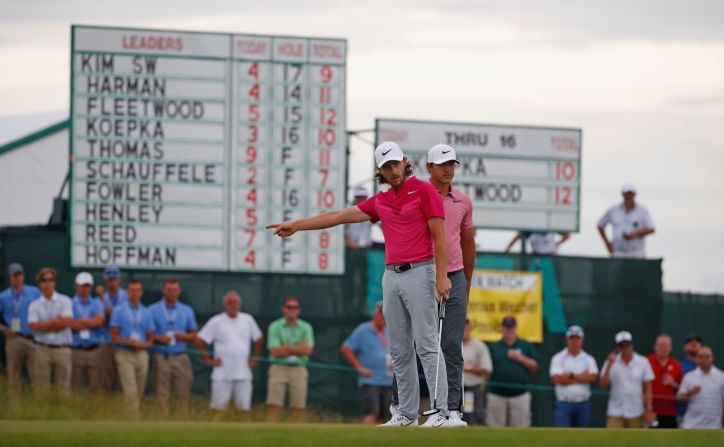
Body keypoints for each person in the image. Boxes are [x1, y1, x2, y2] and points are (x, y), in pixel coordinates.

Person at [267, 141, 452, 427]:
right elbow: (337, 216)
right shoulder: (381, 200)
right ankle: (405, 414)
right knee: (400, 349)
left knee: (427, 343)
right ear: (380, 171)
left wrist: (441, 276)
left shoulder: (425, 191)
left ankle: (442, 412)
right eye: (386, 167)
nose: (393, 171)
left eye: (395, 164)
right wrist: (297, 225)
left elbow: (439, 237)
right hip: (391, 275)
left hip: (421, 271)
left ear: (405, 162)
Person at [196, 291, 264, 421]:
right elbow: (199, 340)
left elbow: (259, 339)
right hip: (222, 373)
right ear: (225, 305)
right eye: (230, 302)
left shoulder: (247, 319)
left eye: (235, 302)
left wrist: (254, 359)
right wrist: (208, 360)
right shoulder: (216, 321)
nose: (233, 305)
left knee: (244, 409)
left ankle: (243, 434)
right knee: (217, 409)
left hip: (243, 373)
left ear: (240, 304)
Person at [149, 278, 198, 418]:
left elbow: (194, 334)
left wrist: (182, 336)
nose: (171, 293)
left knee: (182, 393)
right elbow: (148, 335)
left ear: (179, 291)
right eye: (169, 290)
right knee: (162, 394)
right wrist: (159, 339)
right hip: (161, 355)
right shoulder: (153, 310)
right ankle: (162, 422)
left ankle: (182, 420)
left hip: (180, 355)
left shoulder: (186, 310)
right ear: (164, 291)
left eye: (174, 290)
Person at [340, 302, 393, 424]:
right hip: (371, 381)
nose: (382, 317)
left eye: (385, 314)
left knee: (388, 415)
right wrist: (360, 368)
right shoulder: (363, 330)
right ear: (375, 314)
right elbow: (346, 348)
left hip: (389, 381)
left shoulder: (390, 331)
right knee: (371, 412)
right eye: (380, 313)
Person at [110, 279, 155, 419]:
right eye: (132, 290)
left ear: (141, 292)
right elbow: (113, 335)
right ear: (127, 291)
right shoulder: (119, 310)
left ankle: (131, 414)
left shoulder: (146, 312)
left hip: (141, 354)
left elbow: (150, 338)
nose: (135, 293)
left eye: (137, 290)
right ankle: (133, 419)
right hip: (124, 352)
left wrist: (144, 345)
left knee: (140, 389)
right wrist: (129, 342)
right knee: (130, 389)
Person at [265, 296, 315, 422]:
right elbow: (274, 352)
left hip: (299, 369)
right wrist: (299, 348)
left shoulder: (306, 327)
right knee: (274, 405)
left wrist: (286, 347)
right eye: (289, 307)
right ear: (284, 309)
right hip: (278, 367)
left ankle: (297, 435)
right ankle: (270, 433)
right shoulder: (275, 326)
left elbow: (308, 350)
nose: (292, 310)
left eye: (295, 307)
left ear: (299, 310)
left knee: (298, 406)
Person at [486, 315, 539, 427]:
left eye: (511, 327)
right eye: (506, 327)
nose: (509, 330)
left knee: (520, 432)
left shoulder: (525, 345)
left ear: (515, 328)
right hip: (497, 395)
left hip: (520, 395)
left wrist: (519, 357)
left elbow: (535, 366)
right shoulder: (494, 347)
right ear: (502, 328)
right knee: (494, 433)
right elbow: (487, 369)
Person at [27, 267, 73, 394]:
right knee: (41, 389)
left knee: (63, 389)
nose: (47, 283)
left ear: (54, 282)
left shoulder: (65, 300)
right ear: (39, 284)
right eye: (44, 280)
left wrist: (45, 325)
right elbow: (33, 326)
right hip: (43, 349)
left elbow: (67, 322)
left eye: (50, 280)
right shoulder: (34, 305)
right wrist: (54, 322)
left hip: (62, 349)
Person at [0, 262, 41, 399]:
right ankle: (15, 408)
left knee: (36, 375)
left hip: (32, 338)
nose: (17, 278)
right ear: (10, 277)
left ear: (23, 276)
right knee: (14, 375)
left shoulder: (34, 292)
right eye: (14, 275)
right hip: (14, 339)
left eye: (19, 275)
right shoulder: (3, 296)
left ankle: (38, 406)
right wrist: (3, 329)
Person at [599, 330, 655, 428]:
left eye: (627, 345)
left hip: (636, 411)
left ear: (632, 345)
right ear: (618, 348)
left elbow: (648, 387)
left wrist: (648, 409)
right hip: (615, 411)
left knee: (636, 442)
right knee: (613, 441)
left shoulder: (643, 362)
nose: (625, 348)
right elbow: (603, 385)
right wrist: (609, 366)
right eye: (622, 346)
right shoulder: (610, 362)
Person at [549, 325, 598, 427]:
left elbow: (593, 377)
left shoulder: (589, 359)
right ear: (567, 340)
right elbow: (556, 378)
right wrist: (582, 377)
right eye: (572, 338)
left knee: (582, 439)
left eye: (577, 338)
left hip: (583, 403)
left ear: (582, 340)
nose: (574, 341)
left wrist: (570, 375)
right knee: (562, 437)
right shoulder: (558, 358)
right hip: (564, 403)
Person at [597, 183, 655, 258]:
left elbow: (651, 228)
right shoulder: (613, 210)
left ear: (634, 194)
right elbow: (600, 225)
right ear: (622, 194)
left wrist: (635, 233)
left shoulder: (643, 211)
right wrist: (607, 243)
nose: (628, 196)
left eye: (630, 194)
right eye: (626, 194)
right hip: (618, 252)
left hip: (637, 252)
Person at [70, 272, 105, 390]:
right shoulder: (70, 303)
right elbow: (70, 324)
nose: (84, 288)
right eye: (82, 285)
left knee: (96, 386)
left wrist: (80, 322)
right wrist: (91, 322)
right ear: (76, 286)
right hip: (76, 350)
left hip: (94, 350)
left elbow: (99, 321)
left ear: (90, 287)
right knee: (74, 386)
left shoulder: (97, 303)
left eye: (87, 286)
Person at [677, 346, 724, 429]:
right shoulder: (689, 376)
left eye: (707, 356)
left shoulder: (721, 377)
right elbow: (679, 398)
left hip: (714, 427)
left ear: (712, 358)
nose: (704, 359)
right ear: (696, 359)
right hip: (691, 426)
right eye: (701, 356)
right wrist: (689, 393)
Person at [98, 265, 129, 392]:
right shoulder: (102, 297)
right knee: (106, 375)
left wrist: (105, 305)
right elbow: (101, 318)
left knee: (124, 377)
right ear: (105, 281)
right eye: (110, 280)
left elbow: (121, 316)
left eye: (114, 279)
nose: (112, 282)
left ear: (119, 280)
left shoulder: (127, 296)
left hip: (123, 341)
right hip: (106, 340)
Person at [647, 334, 683, 428]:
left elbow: (683, 388)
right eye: (661, 346)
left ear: (670, 348)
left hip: (670, 412)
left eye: (666, 346)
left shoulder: (676, 364)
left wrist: (673, 384)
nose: (663, 349)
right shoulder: (647, 362)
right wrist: (646, 409)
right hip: (651, 412)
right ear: (655, 347)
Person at [461, 319, 492, 425]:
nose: (464, 330)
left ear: (470, 329)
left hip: (473, 388)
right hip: (456, 390)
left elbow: (486, 369)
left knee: (476, 417)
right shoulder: (453, 344)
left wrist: (468, 368)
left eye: (466, 327)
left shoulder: (479, 346)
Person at [677, 333, 702, 421]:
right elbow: (678, 392)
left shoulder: (706, 367)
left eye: (696, 342)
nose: (694, 344)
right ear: (685, 347)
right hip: (685, 413)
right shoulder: (680, 366)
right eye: (690, 342)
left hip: (705, 414)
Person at [504, 232, 570, 255]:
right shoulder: (531, 230)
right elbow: (517, 237)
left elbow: (567, 236)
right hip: (536, 258)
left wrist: (557, 244)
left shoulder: (551, 226)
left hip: (551, 258)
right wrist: (508, 248)